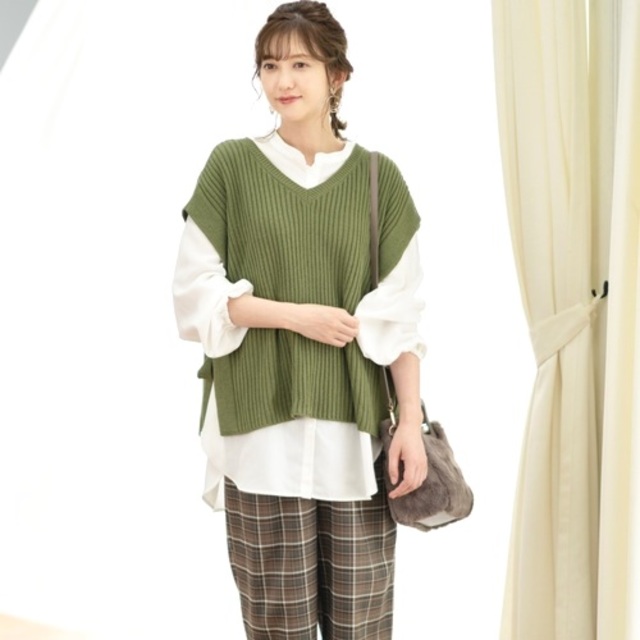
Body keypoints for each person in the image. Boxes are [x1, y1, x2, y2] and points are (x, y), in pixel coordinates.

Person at [172, 2, 427, 638]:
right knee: (275, 628)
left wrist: (411, 425)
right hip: (260, 440)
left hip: (356, 446)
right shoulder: (231, 168)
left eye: (301, 64)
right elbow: (194, 295)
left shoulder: (379, 180)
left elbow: (401, 318)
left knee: (362, 626)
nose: (282, 80)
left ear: (337, 75)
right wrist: (294, 316)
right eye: (269, 65)